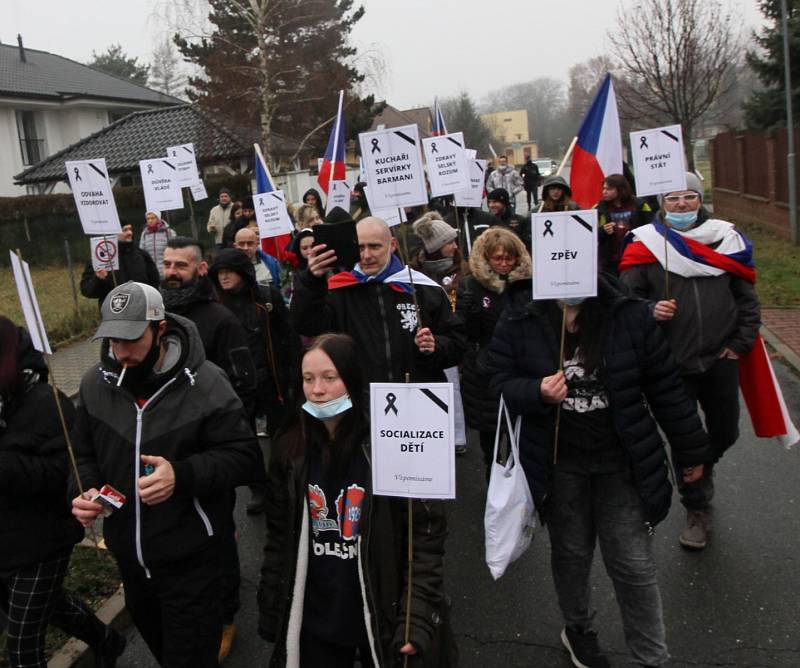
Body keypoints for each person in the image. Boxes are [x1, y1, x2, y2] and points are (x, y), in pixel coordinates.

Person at [486, 273, 710, 668]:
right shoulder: (521, 316)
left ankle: (651, 657)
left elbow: (666, 388)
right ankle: (578, 630)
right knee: (571, 556)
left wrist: (692, 453)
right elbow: (495, 383)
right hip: (559, 466)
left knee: (633, 565)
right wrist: (535, 392)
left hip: (621, 463)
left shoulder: (626, 314)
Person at [70, 282, 261, 668]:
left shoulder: (207, 382)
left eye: (132, 339)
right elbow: (82, 452)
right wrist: (84, 489)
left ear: (159, 329)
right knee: (164, 653)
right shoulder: (94, 385)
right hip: (132, 564)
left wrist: (183, 475)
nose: (121, 352)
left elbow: (245, 457)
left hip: (193, 563)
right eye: (112, 340)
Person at [257, 333, 456, 667]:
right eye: (308, 379)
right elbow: (279, 537)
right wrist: (271, 601)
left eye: (329, 378)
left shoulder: (390, 445)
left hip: (380, 614)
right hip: (317, 620)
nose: (317, 389)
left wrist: (417, 617)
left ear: (352, 379)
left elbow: (423, 542)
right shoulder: (291, 450)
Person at [619, 172, 761, 551]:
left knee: (726, 431)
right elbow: (627, 302)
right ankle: (696, 508)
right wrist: (651, 309)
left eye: (689, 198)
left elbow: (747, 298)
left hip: (719, 357)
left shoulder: (726, 238)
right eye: (673, 199)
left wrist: (739, 344)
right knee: (685, 437)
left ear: (700, 201)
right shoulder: (646, 243)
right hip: (670, 362)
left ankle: (701, 464)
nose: (681, 205)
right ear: (662, 204)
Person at [0, 318, 124, 668]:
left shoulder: (46, 402)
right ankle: (107, 640)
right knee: (48, 607)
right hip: (5, 539)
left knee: (23, 649)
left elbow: (66, 471)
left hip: (43, 540)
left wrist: (5, 466)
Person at [291, 217, 466, 384]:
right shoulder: (340, 290)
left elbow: (457, 344)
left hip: (416, 396)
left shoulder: (423, 287)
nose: (366, 255)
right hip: (362, 400)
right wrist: (311, 281)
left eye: (374, 247)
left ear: (392, 245)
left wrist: (434, 347)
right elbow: (307, 326)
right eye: (360, 247)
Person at [209, 248, 300, 511]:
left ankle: (284, 482)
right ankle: (259, 488)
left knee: (281, 435)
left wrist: (294, 372)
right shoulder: (215, 304)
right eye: (220, 272)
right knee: (246, 442)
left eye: (229, 272)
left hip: (272, 380)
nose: (224, 278)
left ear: (243, 273)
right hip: (236, 386)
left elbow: (288, 335)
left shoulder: (266, 297)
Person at [456, 227, 531, 476]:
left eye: (509, 259)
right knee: (490, 434)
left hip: (519, 366)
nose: (504, 264)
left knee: (520, 434)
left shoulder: (525, 285)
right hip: (484, 371)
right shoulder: (472, 284)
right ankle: (492, 478)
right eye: (497, 258)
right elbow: (465, 334)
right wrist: (468, 314)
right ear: (487, 259)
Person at [412, 212, 468, 455]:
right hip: (427, 342)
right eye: (449, 243)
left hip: (451, 338)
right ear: (436, 248)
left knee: (453, 388)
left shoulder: (463, 270)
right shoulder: (415, 273)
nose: (455, 247)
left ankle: (457, 436)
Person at [80, 222, 160, 311]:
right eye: (124, 230)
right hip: (114, 315)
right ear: (113, 234)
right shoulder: (100, 260)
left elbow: (154, 283)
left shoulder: (142, 255)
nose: (130, 233)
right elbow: (87, 290)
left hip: (142, 312)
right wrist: (98, 279)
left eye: (130, 229)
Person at [595, 174, 655, 274]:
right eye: (603, 188)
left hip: (636, 257)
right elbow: (590, 233)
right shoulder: (599, 208)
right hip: (610, 261)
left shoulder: (640, 205)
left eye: (609, 189)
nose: (604, 192)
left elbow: (651, 228)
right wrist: (603, 230)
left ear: (620, 189)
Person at [139, 211, 176, 279]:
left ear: (158, 219)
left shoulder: (169, 232)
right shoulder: (144, 234)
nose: (150, 221)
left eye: (152, 218)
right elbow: (142, 252)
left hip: (167, 271)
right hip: (151, 273)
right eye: (148, 219)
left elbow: (175, 251)